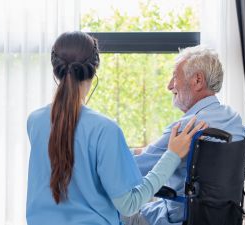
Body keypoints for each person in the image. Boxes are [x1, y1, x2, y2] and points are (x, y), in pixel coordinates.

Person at [26, 31, 207, 225]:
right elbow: (130, 204)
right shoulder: (105, 129)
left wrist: (130, 152)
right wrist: (172, 156)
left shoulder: (35, 121)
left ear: (56, 69)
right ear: (95, 68)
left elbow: (77, 155)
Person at [122, 46, 245, 225]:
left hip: (174, 219)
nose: (169, 85)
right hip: (218, 218)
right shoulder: (234, 120)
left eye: (175, 76)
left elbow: (129, 170)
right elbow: (153, 153)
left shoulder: (187, 127)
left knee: (109, 209)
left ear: (197, 80)